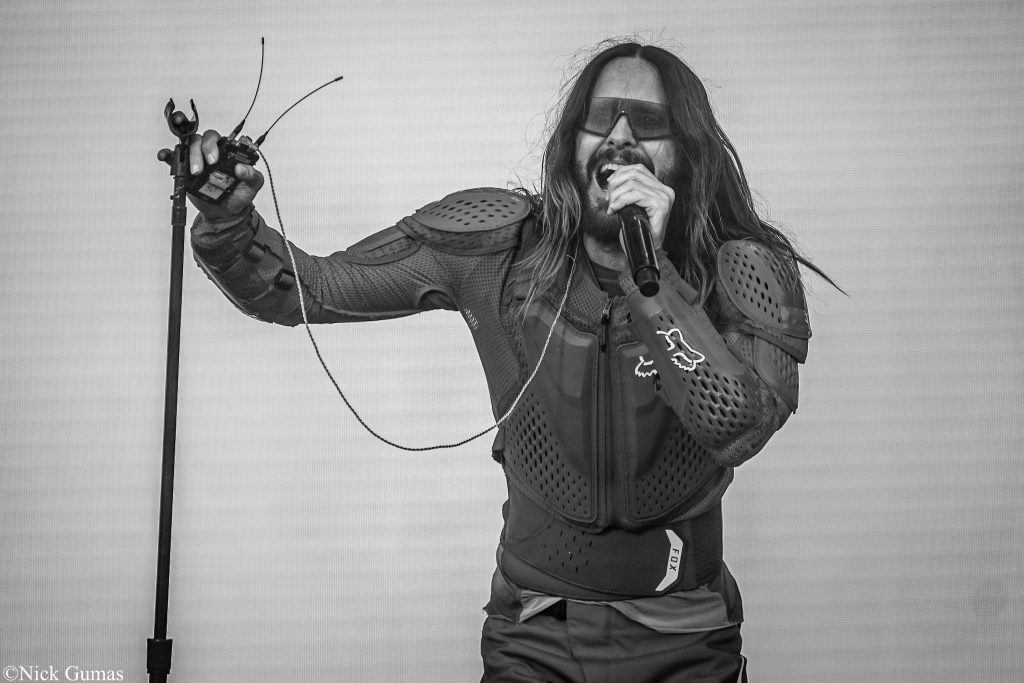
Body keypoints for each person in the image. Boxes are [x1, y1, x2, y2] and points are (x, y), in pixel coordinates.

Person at [186, 41, 831, 683]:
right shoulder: (498, 248)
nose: (621, 139)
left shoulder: (743, 269)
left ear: (688, 152)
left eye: (649, 123)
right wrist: (227, 225)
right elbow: (306, 291)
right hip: (534, 634)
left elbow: (737, 426)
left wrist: (654, 275)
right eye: (600, 118)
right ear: (571, 140)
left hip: (686, 636)